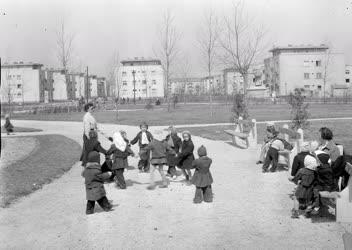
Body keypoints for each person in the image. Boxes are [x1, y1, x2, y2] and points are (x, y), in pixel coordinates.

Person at [309, 150, 339, 215]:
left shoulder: (324, 170)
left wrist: (316, 171)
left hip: (327, 187)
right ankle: (316, 204)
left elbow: (327, 181)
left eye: (317, 159)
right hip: (327, 185)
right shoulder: (325, 166)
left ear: (320, 161)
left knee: (315, 189)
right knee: (314, 187)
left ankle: (317, 207)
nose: (316, 160)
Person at [289, 152, 318, 218]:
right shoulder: (315, 172)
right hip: (310, 188)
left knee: (296, 198)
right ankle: (307, 212)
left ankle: (296, 213)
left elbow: (296, 179)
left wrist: (292, 179)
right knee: (308, 201)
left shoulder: (302, 170)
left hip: (301, 187)